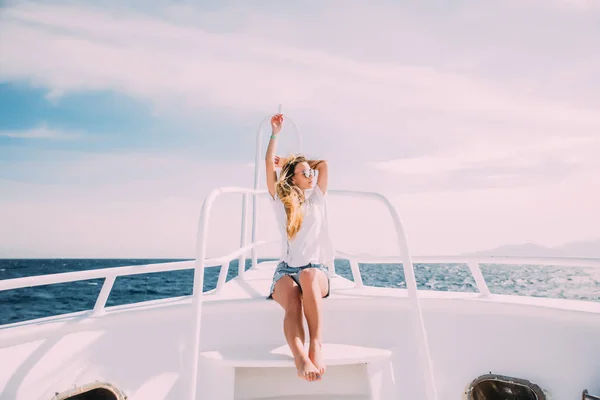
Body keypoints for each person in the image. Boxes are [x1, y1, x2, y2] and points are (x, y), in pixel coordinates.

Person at [264, 113, 335, 382]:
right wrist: (275, 135)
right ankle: (300, 357)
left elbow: (324, 165)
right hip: (285, 270)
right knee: (292, 298)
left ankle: (315, 344)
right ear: (292, 179)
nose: (311, 175)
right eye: (304, 173)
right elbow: (268, 167)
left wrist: (294, 162)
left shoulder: (317, 199)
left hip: (316, 270)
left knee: (307, 276)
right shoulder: (280, 202)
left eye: (310, 172)